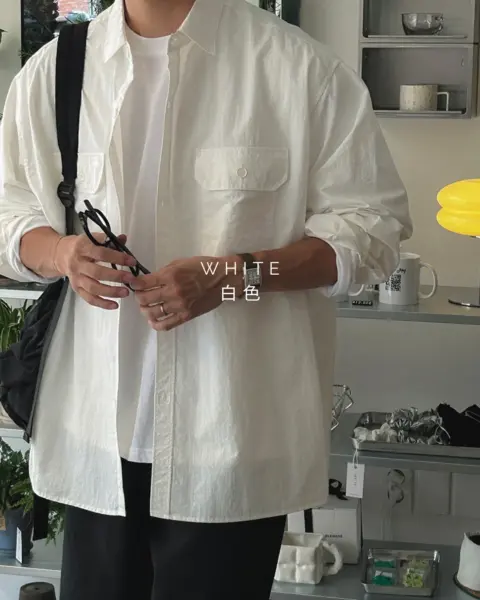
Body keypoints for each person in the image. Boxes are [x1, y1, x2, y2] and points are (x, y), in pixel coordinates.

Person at [0, 0, 412, 598]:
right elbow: (10, 216)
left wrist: (234, 275)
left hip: (233, 444)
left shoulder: (297, 69)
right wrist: (63, 254)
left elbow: (372, 236)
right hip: (93, 444)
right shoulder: (56, 71)